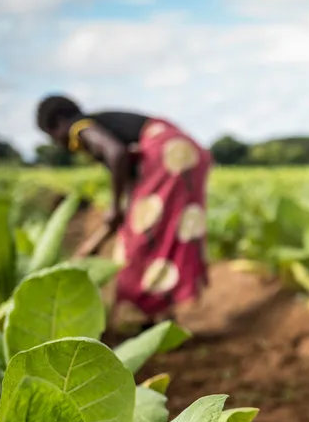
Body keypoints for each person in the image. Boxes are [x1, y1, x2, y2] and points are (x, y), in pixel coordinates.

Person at [36, 95, 210, 327]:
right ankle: (160, 313)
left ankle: (147, 312)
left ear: (58, 123)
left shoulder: (81, 128)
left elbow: (115, 153)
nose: (58, 142)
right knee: (163, 233)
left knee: (138, 240)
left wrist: (115, 207)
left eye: (52, 136)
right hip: (183, 151)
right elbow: (128, 171)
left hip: (165, 153)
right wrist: (123, 210)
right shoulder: (101, 123)